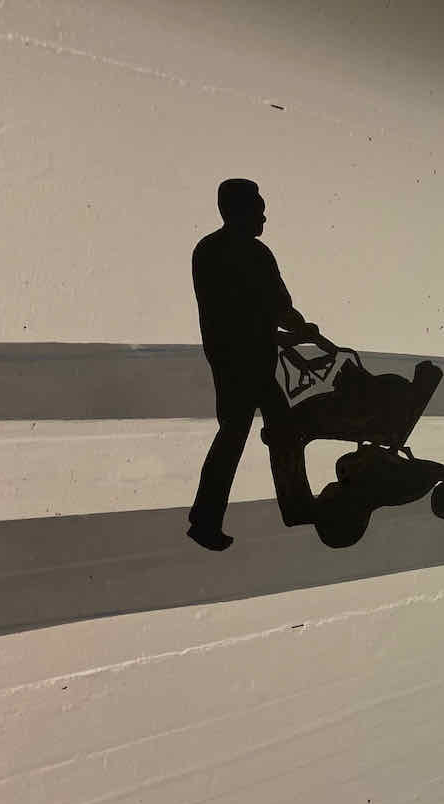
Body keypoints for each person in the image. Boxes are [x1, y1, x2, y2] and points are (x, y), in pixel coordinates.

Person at [187, 179, 325, 551]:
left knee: (252, 433)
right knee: (260, 432)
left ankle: (211, 519)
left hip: (232, 359)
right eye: (258, 211)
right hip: (248, 363)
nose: (264, 218)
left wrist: (291, 330)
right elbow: (276, 308)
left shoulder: (208, 250)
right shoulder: (252, 254)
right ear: (239, 212)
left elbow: (249, 312)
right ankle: (213, 519)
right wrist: (303, 330)